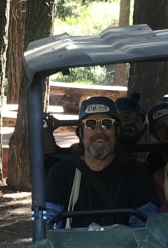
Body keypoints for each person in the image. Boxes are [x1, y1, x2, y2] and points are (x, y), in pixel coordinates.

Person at [43, 96, 153, 228]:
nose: (99, 131)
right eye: (91, 124)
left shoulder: (136, 175)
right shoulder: (60, 173)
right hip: (72, 247)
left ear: (117, 131)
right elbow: (48, 224)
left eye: (107, 123)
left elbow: (143, 226)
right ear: (81, 133)